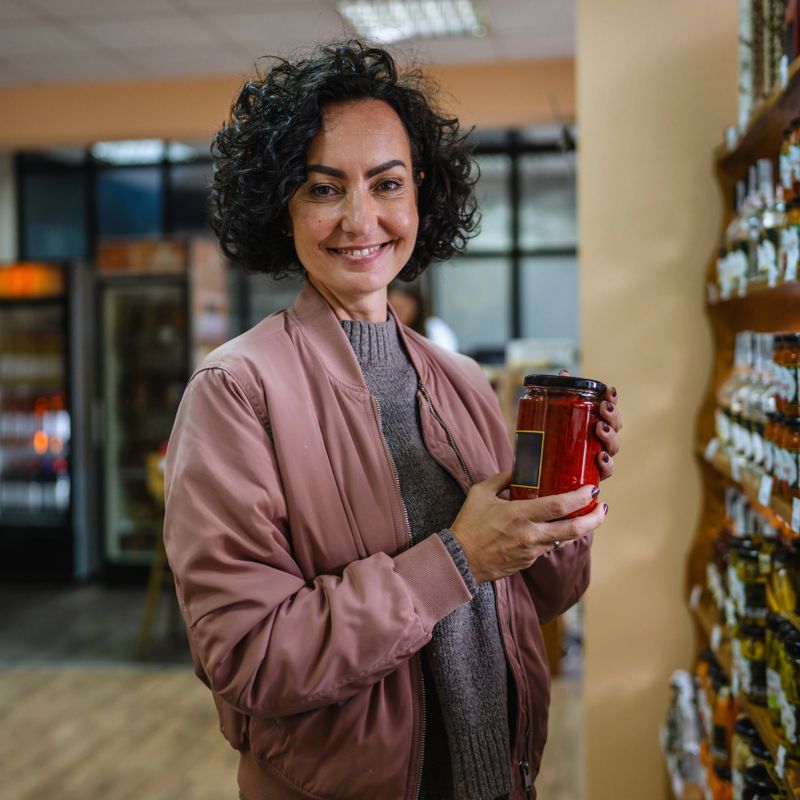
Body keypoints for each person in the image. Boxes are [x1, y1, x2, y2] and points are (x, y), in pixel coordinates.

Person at [163, 40, 622, 800]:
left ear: (422, 199)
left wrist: (562, 506)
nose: (360, 219)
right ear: (281, 204)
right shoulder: (236, 391)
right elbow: (249, 656)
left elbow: (538, 598)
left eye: (387, 184)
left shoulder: (462, 381)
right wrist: (459, 557)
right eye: (323, 188)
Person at [388, 280, 460, 352]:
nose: (396, 313)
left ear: (416, 307)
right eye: (393, 307)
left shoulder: (435, 329)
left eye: (401, 308)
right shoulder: (387, 332)